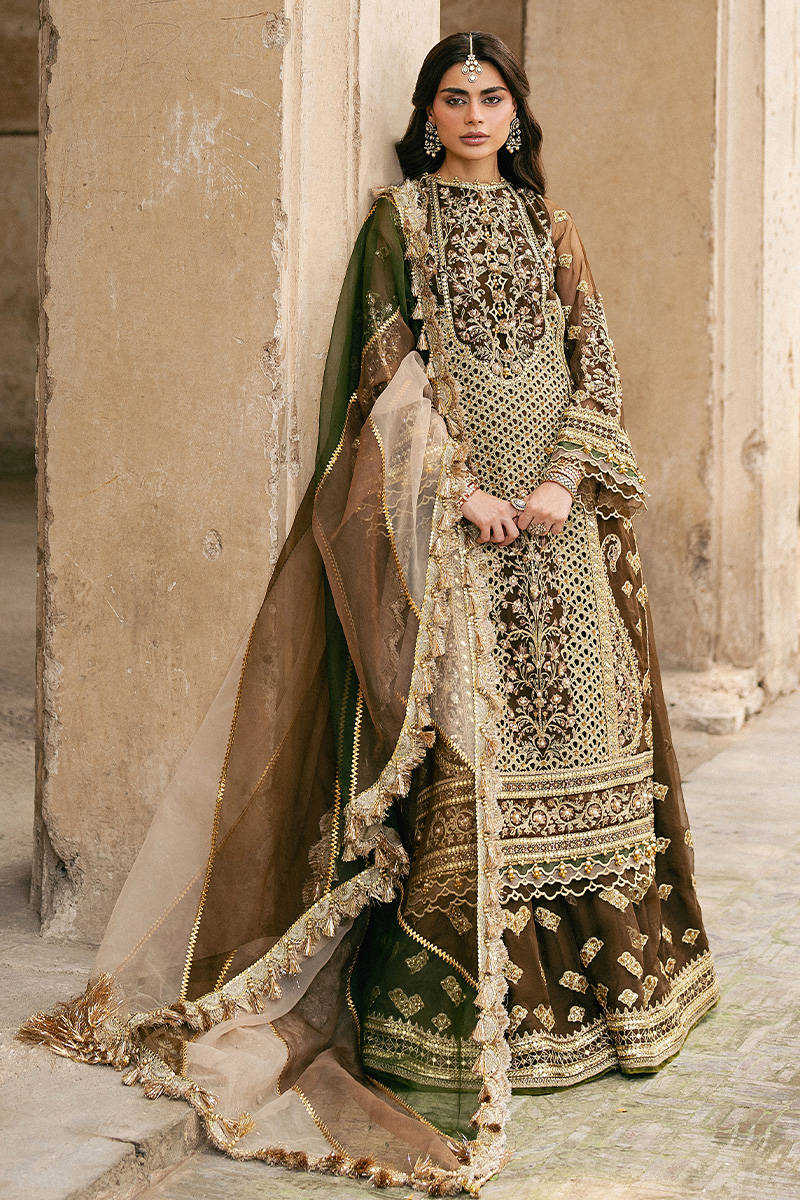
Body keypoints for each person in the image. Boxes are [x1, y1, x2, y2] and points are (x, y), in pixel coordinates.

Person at [20, 31, 719, 1196]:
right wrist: (463, 491)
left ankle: (599, 1011)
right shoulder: (397, 225)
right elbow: (384, 373)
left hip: (561, 536)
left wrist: (557, 483)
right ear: (426, 114)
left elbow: (593, 364)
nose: (474, 113)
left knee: (584, 755)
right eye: (453, 97)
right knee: (469, 768)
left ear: (515, 111)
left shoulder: (552, 227)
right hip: (453, 536)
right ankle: (458, 1032)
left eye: (491, 95)